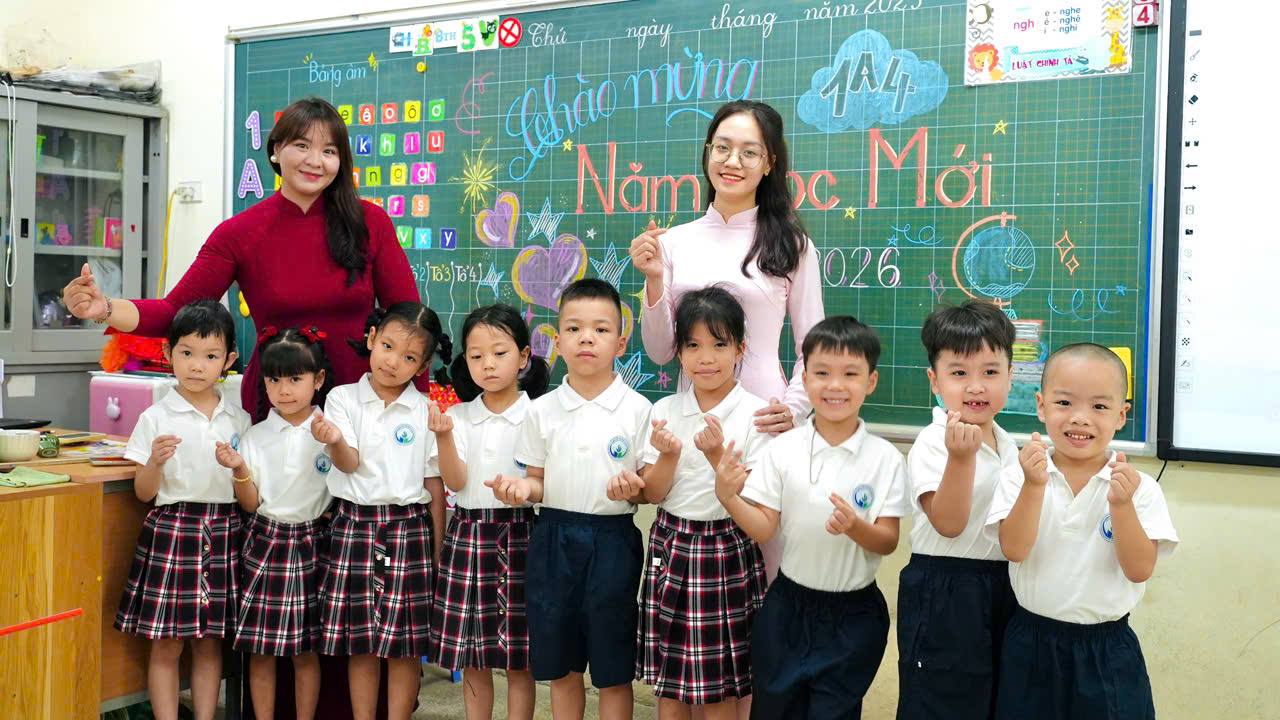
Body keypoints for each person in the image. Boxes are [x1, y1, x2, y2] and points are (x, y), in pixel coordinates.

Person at [61, 96, 430, 420]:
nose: (315, 161)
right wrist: (104, 307)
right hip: (278, 404)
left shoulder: (371, 221)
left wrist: (416, 402)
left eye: (329, 151)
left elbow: (410, 322)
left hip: (367, 404)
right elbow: (174, 311)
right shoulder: (239, 232)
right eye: (302, 145)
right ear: (275, 150)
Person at [715, 316, 906, 720]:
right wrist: (729, 497)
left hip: (854, 616)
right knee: (774, 709)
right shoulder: (782, 450)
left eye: (850, 374)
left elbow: (888, 541)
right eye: (821, 373)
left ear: (870, 381)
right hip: (787, 607)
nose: (835, 385)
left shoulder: (885, 458)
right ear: (804, 376)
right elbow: (764, 527)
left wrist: (856, 528)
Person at [985, 344, 1178, 720]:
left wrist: (1121, 506)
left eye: (1099, 407)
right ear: (1041, 406)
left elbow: (1139, 570)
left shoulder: (1138, 487)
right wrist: (1033, 485)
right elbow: (1014, 549)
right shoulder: (1020, 476)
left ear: (1122, 415)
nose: (1080, 418)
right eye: (1064, 403)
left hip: (1107, 648)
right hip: (1031, 642)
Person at [491, 279, 653, 720]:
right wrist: (523, 490)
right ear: (556, 341)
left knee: (612, 669)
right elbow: (537, 480)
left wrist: (635, 487)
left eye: (601, 329)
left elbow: (649, 483)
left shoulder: (639, 410)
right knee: (561, 667)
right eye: (575, 328)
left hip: (613, 540)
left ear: (620, 341)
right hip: (552, 538)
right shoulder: (540, 410)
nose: (587, 338)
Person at [631, 99, 824, 438]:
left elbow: (813, 344)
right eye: (722, 148)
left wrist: (794, 408)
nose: (732, 161)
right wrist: (654, 278)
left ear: (769, 164)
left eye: (750, 153)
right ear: (708, 153)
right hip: (691, 421)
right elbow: (661, 351)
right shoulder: (673, 242)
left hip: (765, 419)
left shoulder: (792, 246)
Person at [309, 301, 452, 720]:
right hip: (353, 526)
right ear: (372, 339)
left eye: (409, 357)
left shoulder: (427, 410)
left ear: (423, 363)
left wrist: (438, 548)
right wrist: (334, 440)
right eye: (387, 346)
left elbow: (433, 483)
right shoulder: (342, 398)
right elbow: (348, 462)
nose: (393, 362)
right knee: (361, 644)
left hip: (409, 530)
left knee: (405, 648)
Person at [636, 286, 770, 720]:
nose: (706, 357)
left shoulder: (756, 415)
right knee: (669, 684)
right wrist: (669, 456)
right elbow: (651, 495)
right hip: (671, 543)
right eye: (693, 345)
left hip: (725, 549)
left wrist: (717, 457)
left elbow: (755, 501)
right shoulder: (667, 410)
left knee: (721, 689)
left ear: (740, 348)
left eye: (719, 344)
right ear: (678, 352)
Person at [115, 298, 252, 720]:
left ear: (228, 359)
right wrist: (154, 461)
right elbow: (142, 493)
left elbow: (248, 491)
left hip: (226, 528)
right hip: (173, 531)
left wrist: (241, 469)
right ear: (167, 353)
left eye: (210, 356)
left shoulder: (239, 418)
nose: (197, 366)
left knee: (210, 642)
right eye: (186, 353)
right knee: (166, 642)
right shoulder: (155, 417)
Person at [896, 300, 1020, 720]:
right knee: (942, 702)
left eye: (990, 372)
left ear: (1010, 375)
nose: (976, 386)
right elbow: (948, 523)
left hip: (1005, 586)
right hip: (945, 587)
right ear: (935, 379)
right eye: (959, 372)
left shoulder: (1010, 445)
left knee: (996, 700)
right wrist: (961, 459)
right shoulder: (934, 443)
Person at [427, 304, 550, 720]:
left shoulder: (538, 414)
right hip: (469, 534)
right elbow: (456, 482)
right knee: (473, 654)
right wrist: (444, 437)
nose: (488, 364)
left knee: (520, 657)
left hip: (522, 535)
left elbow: (545, 482)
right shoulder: (458, 416)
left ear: (523, 357)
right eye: (476, 356)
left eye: (499, 353)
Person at [214, 326, 334, 720]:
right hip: (265, 543)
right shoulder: (256, 434)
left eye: (295, 379)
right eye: (274, 379)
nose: (283, 390)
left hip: (315, 544)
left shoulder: (331, 432)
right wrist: (239, 469)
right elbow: (250, 503)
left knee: (305, 649)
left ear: (317, 380)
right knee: (260, 647)